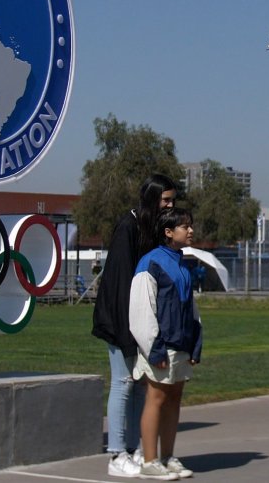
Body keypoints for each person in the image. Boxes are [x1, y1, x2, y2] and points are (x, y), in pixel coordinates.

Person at [91, 174, 177, 478]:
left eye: (172, 200)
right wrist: (126, 330)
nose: (170, 205)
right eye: (166, 200)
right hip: (118, 319)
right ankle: (116, 453)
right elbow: (118, 282)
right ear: (152, 198)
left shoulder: (153, 229)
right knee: (123, 382)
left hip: (142, 321)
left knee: (142, 382)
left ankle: (135, 447)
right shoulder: (128, 227)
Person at [130, 206, 202, 480]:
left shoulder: (182, 263)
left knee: (174, 399)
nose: (191, 230)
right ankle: (149, 461)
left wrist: (195, 342)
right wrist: (154, 347)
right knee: (156, 398)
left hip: (181, 343)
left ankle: (168, 457)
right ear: (168, 232)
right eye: (185, 226)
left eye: (190, 225)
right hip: (161, 345)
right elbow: (142, 309)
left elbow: (190, 308)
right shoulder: (151, 262)